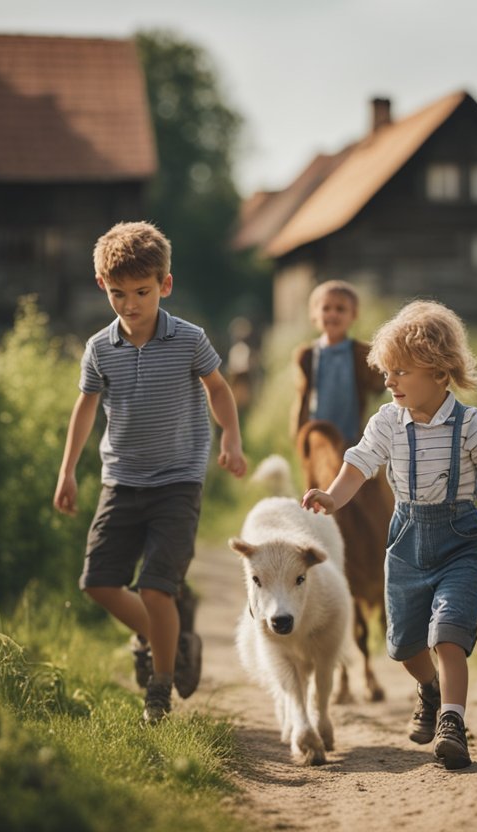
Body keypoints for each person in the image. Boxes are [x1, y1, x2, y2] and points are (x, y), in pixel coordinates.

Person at [301, 300, 477, 770]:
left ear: (440, 372)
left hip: (460, 541)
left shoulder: (470, 425)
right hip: (406, 539)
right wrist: (331, 497)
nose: (389, 382)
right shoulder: (387, 420)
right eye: (386, 373)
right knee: (405, 645)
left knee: (448, 633)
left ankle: (452, 721)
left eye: (400, 372)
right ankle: (429, 689)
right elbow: (358, 465)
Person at [53, 221, 247, 723]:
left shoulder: (187, 339)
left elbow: (219, 389)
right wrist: (68, 470)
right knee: (97, 582)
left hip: (177, 483)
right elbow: (85, 408)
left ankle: (159, 689)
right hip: (121, 481)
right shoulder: (100, 348)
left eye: (141, 292)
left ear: (165, 284)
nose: (130, 304)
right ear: (102, 285)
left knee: (157, 588)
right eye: (118, 293)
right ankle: (171, 637)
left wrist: (231, 436)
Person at [290, 280, 385, 446]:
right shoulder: (307, 355)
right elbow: (302, 396)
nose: (333, 314)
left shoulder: (361, 354)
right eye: (326, 308)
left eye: (340, 309)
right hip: (317, 435)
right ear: (314, 314)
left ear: (353, 314)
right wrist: (299, 432)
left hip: (352, 435)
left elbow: (378, 387)